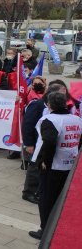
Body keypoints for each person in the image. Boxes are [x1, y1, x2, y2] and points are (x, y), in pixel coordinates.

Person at [28, 92, 82, 240]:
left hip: (53, 168)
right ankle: (59, 226)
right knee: (62, 198)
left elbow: (50, 141)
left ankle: (45, 230)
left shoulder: (49, 120)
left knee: (46, 199)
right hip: (71, 166)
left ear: (49, 105)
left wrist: (46, 161)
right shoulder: (77, 119)